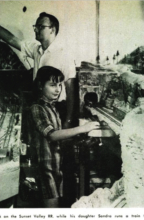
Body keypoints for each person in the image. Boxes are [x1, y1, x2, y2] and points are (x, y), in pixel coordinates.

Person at [0, 9, 77, 128]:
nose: (36, 29)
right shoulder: (36, 50)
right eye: (35, 26)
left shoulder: (64, 55)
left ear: (52, 29)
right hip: (39, 106)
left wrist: (68, 120)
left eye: (40, 27)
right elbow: (11, 40)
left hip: (57, 108)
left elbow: (71, 90)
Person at [28, 66, 99, 208]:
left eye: (60, 85)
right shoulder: (37, 108)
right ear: (40, 86)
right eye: (52, 85)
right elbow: (52, 135)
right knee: (51, 208)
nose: (58, 89)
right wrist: (82, 128)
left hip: (55, 167)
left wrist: (80, 138)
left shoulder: (52, 107)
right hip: (45, 168)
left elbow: (59, 137)